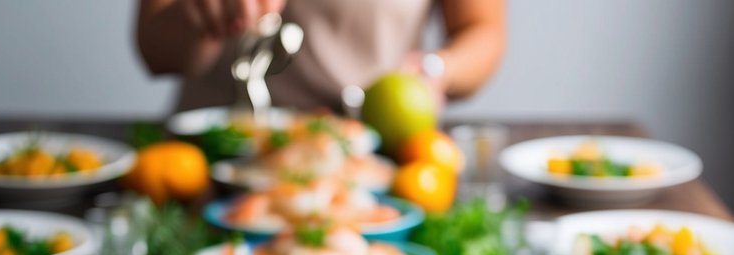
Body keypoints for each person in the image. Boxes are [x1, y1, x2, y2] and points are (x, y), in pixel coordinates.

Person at [136, 0, 506, 112]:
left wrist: (435, 70)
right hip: (208, 176)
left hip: (377, 170)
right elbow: (154, 51)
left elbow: (482, 29)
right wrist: (201, 17)